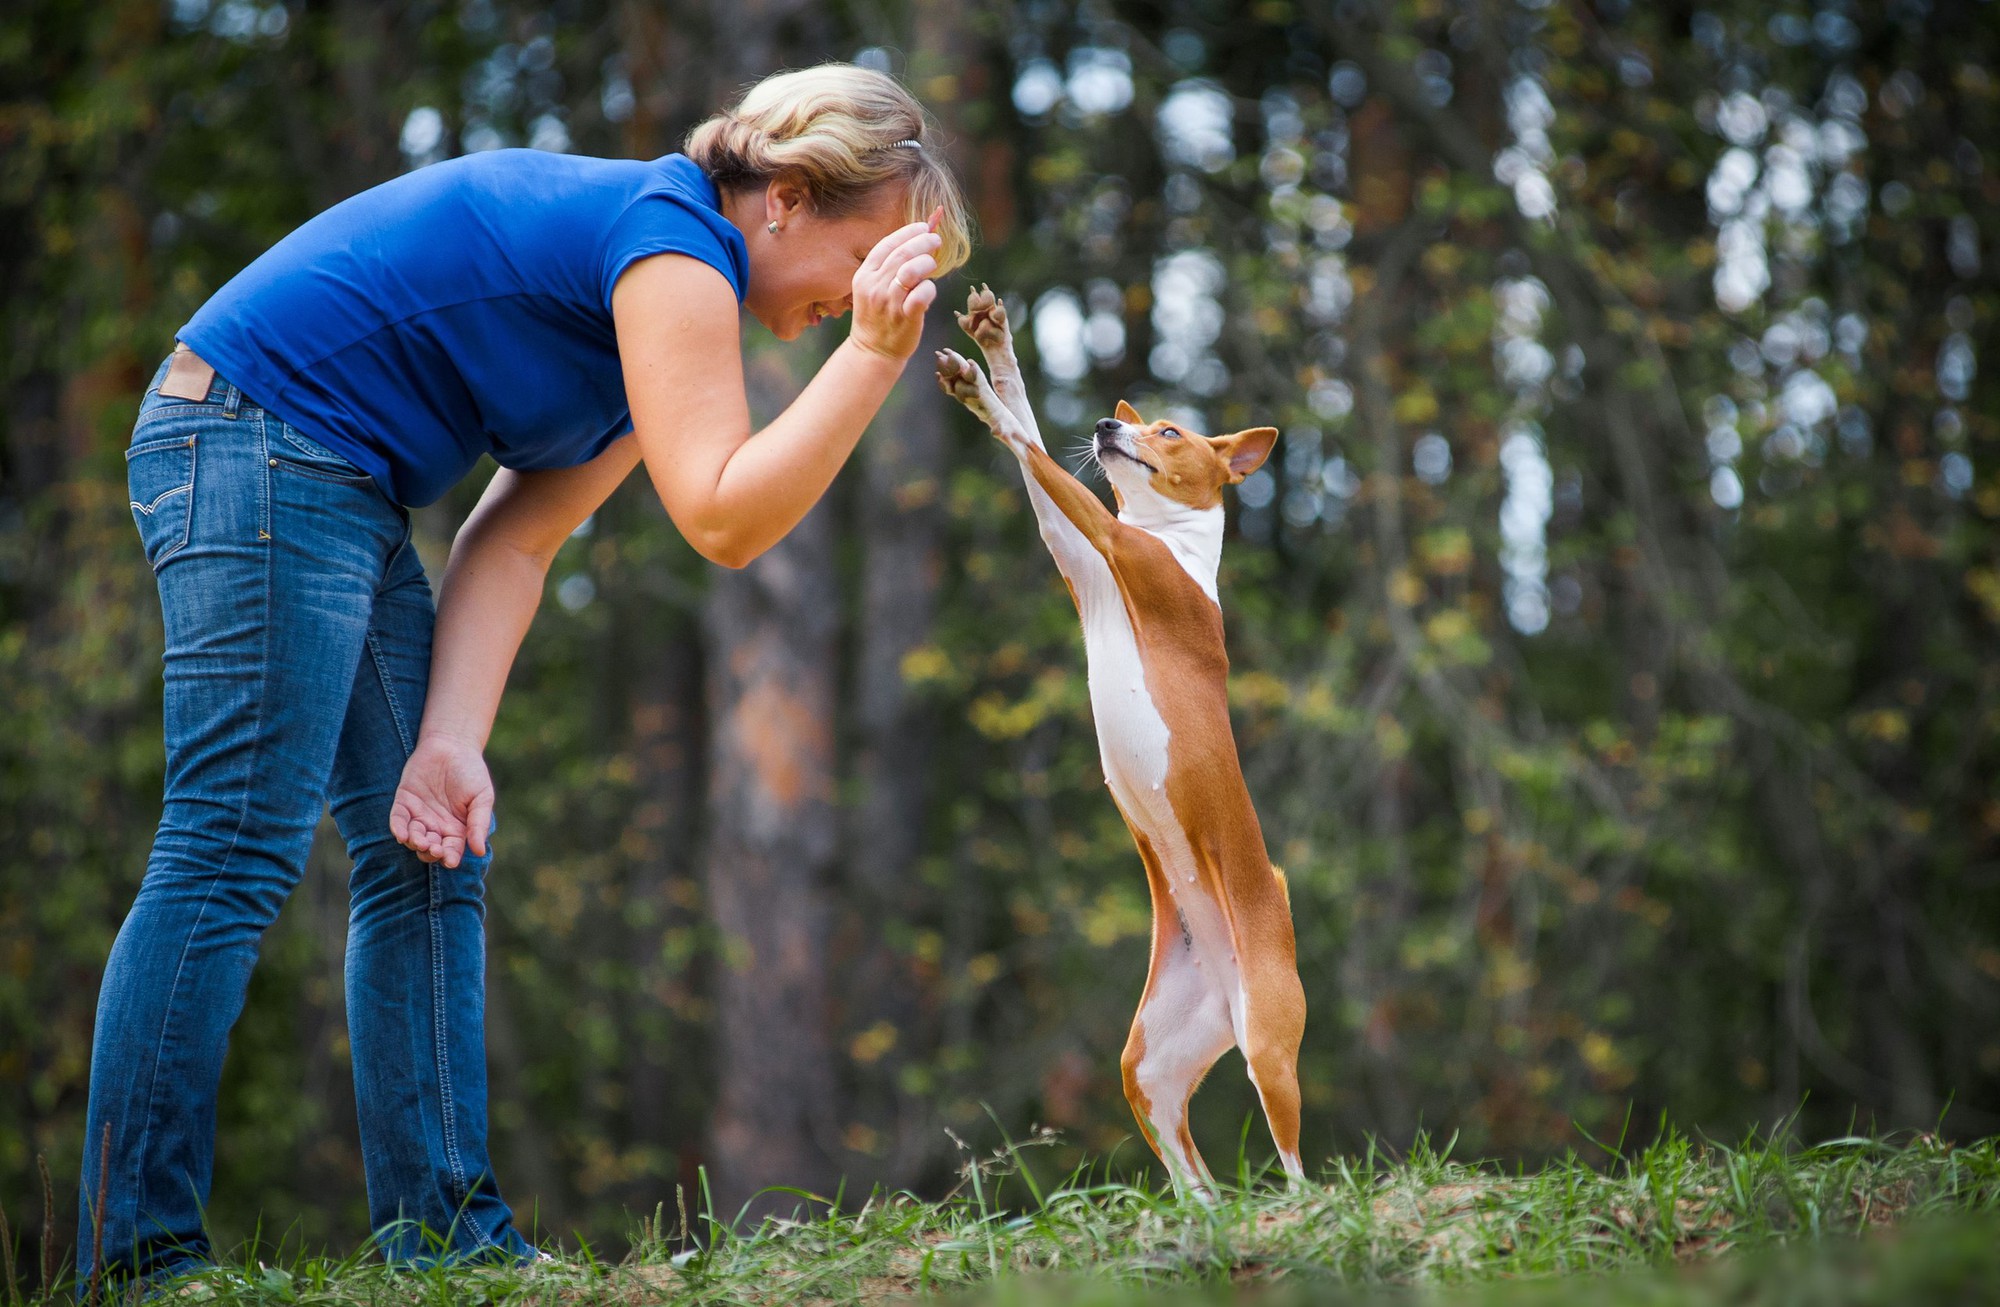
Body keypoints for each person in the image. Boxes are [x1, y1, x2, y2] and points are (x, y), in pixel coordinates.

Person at [80, 62, 971, 1282]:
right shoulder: (670, 246)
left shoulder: (644, 317)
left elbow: (518, 536)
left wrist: (448, 740)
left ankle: (447, 1244)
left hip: (329, 478)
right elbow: (720, 519)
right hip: (251, 434)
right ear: (789, 199)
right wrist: (871, 359)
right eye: (878, 258)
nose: (874, 295)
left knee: (431, 839)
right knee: (232, 841)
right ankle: (135, 1258)